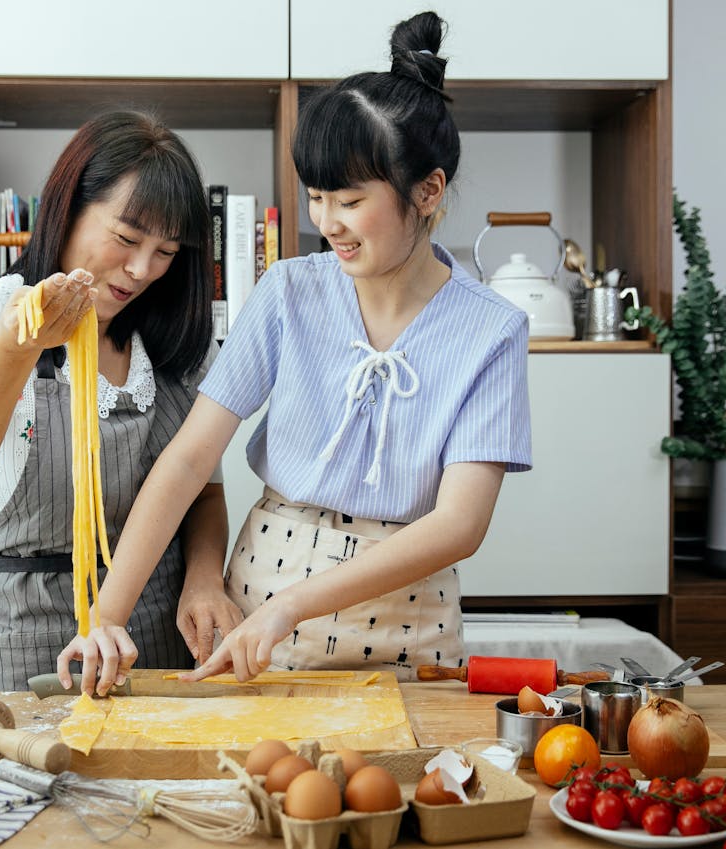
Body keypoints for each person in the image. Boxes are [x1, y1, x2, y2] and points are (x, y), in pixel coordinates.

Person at [56, 12, 532, 693]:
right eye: (316, 197)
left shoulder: (492, 329)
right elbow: (189, 458)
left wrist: (291, 606)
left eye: (350, 200)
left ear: (427, 191)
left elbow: (459, 523)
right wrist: (106, 615)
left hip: (408, 627)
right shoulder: (288, 292)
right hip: (257, 622)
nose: (326, 223)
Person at [0, 111, 243, 691]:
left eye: (166, 251)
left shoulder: (174, 347)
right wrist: (19, 348)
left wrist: (203, 579)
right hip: (25, 635)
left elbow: (203, 490)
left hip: (156, 634)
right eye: (126, 238)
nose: (142, 270)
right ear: (67, 206)